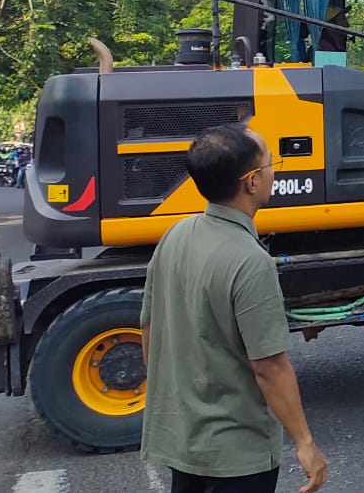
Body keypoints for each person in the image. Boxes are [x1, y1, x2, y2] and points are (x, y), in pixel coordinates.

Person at [140, 123, 328, 493]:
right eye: (270, 164)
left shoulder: (175, 235)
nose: (275, 172)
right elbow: (269, 367)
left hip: (186, 443)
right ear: (252, 182)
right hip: (237, 456)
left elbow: (149, 325)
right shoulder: (249, 260)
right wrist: (306, 443)